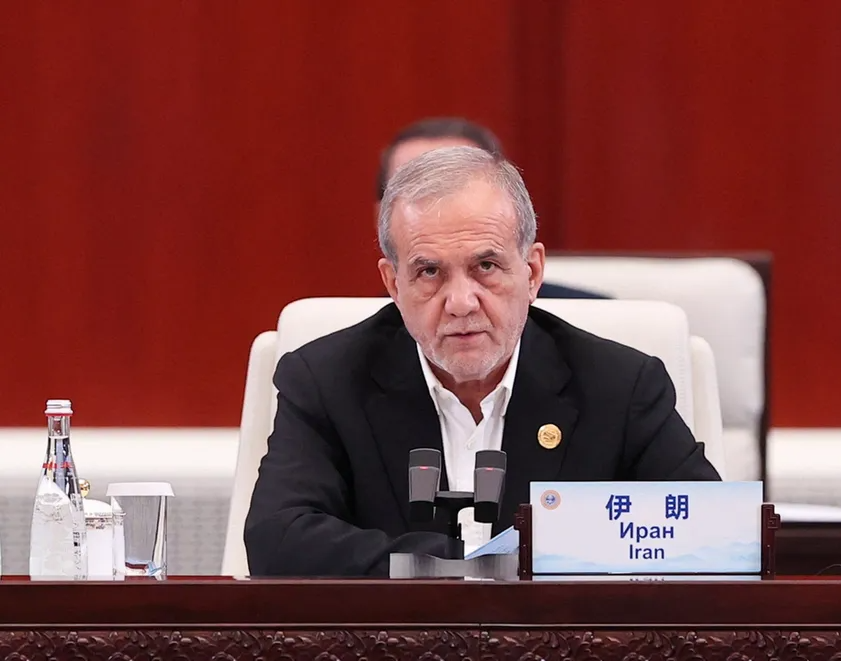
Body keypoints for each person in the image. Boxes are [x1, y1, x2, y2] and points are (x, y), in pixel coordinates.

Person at [245, 147, 720, 577]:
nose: (460, 302)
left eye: (485, 267)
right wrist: (453, 567)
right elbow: (276, 540)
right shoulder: (326, 380)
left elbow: (712, 535)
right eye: (429, 271)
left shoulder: (620, 385)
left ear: (532, 272)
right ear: (393, 285)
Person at [376, 117, 605, 299]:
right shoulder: (361, 338)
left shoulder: (597, 324)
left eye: (460, 182)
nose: (461, 302)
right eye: (413, 190)